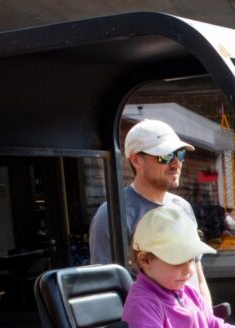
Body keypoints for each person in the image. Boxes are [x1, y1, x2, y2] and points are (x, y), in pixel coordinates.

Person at [88, 119, 212, 305]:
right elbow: (103, 290)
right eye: (165, 156)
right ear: (136, 159)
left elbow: (198, 279)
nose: (176, 163)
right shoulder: (112, 214)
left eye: (180, 154)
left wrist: (208, 325)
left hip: (192, 326)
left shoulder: (182, 207)